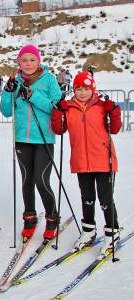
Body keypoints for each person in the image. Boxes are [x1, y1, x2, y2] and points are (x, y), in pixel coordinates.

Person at [51, 72, 122, 254]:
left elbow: (115, 129)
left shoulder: (101, 106)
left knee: (105, 199)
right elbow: (58, 130)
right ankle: (89, 231)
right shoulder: (69, 108)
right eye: (79, 89)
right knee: (87, 198)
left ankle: (112, 232)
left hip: (103, 160)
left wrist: (114, 111)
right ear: (74, 89)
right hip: (81, 161)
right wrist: (57, 112)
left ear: (93, 89)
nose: (82, 92)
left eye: (86, 89)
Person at [1, 44, 62, 240]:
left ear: (38, 61)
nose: (28, 64)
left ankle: (52, 218)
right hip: (22, 139)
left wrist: (33, 96)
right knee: (27, 180)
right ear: (19, 62)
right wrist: (8, 92)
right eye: (24, 60)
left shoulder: (49, 80)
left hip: (44, 139)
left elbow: (56, 107)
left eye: (32, 60)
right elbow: (6, 111)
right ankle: (30, 217)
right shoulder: (16, 81)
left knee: (41, 180)